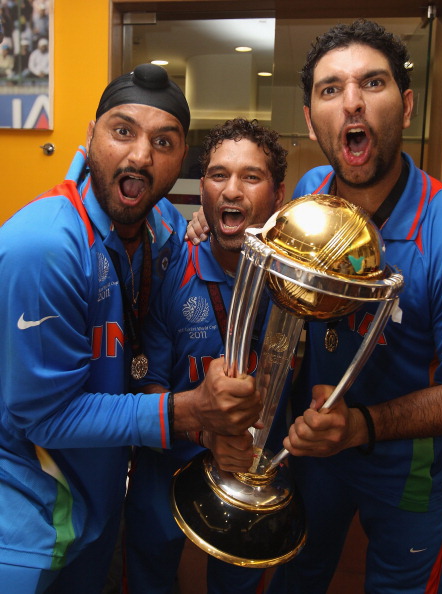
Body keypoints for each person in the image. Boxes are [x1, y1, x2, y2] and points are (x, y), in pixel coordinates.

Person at [187, 19, 442, 594]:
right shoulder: (313, 194)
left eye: (373, 83)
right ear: (313, 119)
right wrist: (208, 227)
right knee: (299, 577)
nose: (353, 104)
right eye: (330, 89)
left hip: (406, 468)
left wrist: (362, 426)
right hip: (312, 451)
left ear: (408, 105)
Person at [0, 64, 261, 594]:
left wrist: (207, 223)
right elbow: (44, 418)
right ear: (90, 137)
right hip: (25, 510)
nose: (141, 155)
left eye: (163, 142)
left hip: (97, 494)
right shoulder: (45, 247)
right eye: (123, 132)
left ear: (180, 160)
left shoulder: (162, 224)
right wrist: (190, 411)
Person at [124, 118, 290, 594]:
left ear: (277, 195)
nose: (231, 190)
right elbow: (147, 383)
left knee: (236, 584)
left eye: (250, 177)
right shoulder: (169, 265)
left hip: (254, 467)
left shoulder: (294, 279)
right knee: (150, 573)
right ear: (203, 189)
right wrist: (204, 432)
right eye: (218, 175)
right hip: (169, 457)